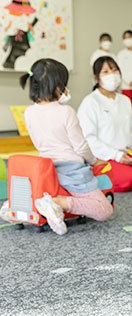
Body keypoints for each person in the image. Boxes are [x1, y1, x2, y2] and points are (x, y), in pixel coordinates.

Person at [18, 58, 113, 235]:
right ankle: (60, 203)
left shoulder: (29, 112)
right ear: (58, 86)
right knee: (104, 210)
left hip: (46, 168)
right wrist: (94, 161)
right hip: (72, 170)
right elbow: (81, 147)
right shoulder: (66, 112)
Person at [78, 56, 132, 193]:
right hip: (102, 157)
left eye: (115, 70)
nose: (112, 75)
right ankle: (95, 177)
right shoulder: (90, 102)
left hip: (124, 155)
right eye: (106, 72)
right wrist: (115, 155)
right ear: (97, 78)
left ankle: (120, 171)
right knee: (131, 179)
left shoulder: (124, 100)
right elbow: (88, 138)